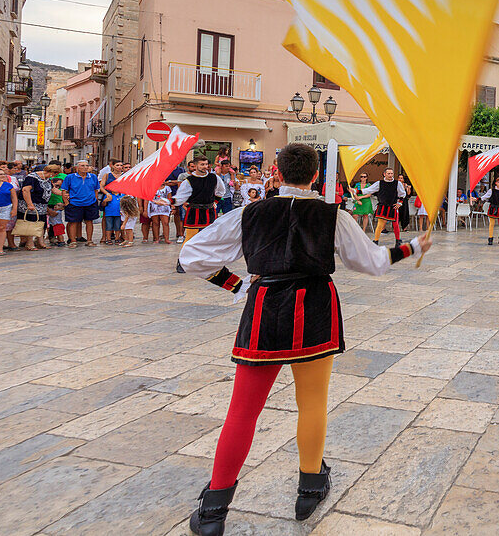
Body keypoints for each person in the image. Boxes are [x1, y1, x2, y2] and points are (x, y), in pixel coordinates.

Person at [179, 144, 431, 534]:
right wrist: (412, 246)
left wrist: (237, 285)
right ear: (316, 176)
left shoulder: (249, 213)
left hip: (264, 307)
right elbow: (374, 263)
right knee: (312, 403)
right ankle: (308, 489)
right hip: (314, 306)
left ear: (277, 174)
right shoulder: (334, 216)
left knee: (243, 411)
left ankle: (214, 509)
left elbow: (193, 256)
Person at [61, 160, 101, 248]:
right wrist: (67, 203)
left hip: (90, 202)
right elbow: (64, 190)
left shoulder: (93, 177)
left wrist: (95, 199)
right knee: (73, 222)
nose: (85, 167)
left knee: (89, 222)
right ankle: (73, 241)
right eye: (82, 166)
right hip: (75, 203)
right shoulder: (70, 177)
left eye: (87, 165)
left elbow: (96, 189)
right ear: (77, 168)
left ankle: (89, 240)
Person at [362, 167, 405, 246]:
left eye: (391, 173)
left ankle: (398, 240)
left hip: (393, 206)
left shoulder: (397, 183)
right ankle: (376, 241)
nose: (390, 175)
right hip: (383, 206)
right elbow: (368, 190)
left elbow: (402, 194)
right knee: (380, 224)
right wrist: (356, 191)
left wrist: (400, 203)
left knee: (395, 224)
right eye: (388, 173)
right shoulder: (379, 183)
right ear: (384, 174)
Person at [17, 163, 56, 250]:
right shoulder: (32, 177)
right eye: (54, 174)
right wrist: (29, 204)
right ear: (51, 172)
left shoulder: (47, 179)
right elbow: (25, 190)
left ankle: (40, 242)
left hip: (42, 205)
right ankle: (29, 243)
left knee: (41, 224)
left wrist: (63, 194)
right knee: (31, 223)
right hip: (30, 204)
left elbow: (52, 189)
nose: (53, 176)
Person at [103, 178, 123, 245]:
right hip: (109, 213)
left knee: (117, 227)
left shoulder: (122, 195)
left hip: (119, 213)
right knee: (109, 227)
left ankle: (117, 238)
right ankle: (108, 239)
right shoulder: (108, 195)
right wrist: (105, 201)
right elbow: (103, 204)